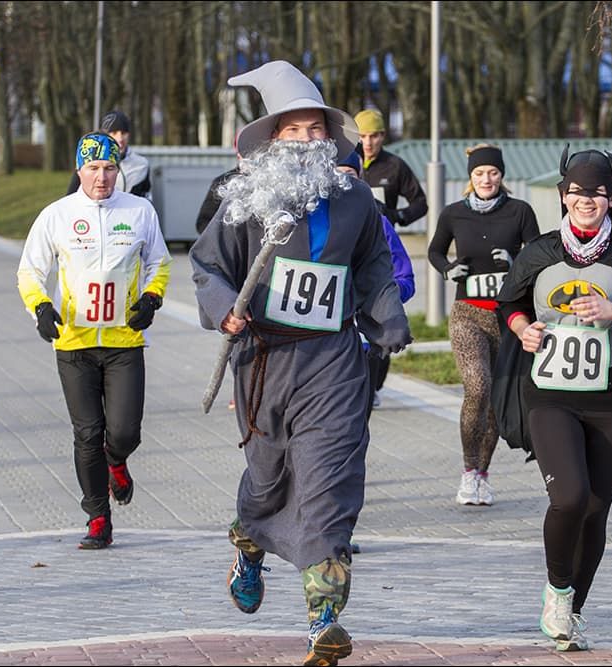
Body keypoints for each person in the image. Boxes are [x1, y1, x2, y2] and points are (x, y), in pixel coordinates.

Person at [189, 60, 410, 667]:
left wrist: (387, 320)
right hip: (264, 360)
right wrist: (222, 312)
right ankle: (250, 543)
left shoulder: (355, 201)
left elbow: (371, 267)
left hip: (334, 359)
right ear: (270, 140)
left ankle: (324, 618)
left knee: (329, 483)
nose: (308, 141)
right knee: (266, 479)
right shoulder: (245, 205)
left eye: (317, 130)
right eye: (294, 131)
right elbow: (207, 267)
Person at [495, 148, 612, 651]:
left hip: (611, 397)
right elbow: (509, 300)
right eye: (576, 191)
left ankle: (571, 613)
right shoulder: (542, 252)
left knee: (595, 509)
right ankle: (556, 590)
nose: (585, 200)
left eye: (595, 192)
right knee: (568, 496)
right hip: (549, 394)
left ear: (610, 197)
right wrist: (522, 327)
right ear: (563, 197)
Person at [17, 132, 172, 550]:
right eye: (93, 169)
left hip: (124, 340)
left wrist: (152, 297)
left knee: (124, 432)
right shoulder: (57, 215)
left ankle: (117, 460)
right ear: (78, 170)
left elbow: (158, 261)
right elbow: (30, 271)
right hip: (74, 344)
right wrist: (41, 307)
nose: (101, 178)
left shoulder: (140, 211)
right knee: (87, 433)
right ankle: (97, 517)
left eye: (109, 168)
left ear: (118, 169)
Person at [427, 144, 539, 506]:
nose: (486, 179)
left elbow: (539, 256)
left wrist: (515, 260)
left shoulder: (520, 211)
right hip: (467, 315)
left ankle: (482, 476)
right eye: (479, 173)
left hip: (508, 317)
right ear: (470, 178)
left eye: (492, 173)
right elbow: (434, 251)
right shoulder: (454, 213)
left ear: (501, 175)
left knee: (494, 399)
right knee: (477, 386)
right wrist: (447, 269)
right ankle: (466, 471)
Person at [354, 108, 427, 407]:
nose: (368, 142)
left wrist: (397, 216)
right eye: (362, 136)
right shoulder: (347, 162)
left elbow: (420, 202)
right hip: (356, 248)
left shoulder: (395, 166)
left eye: (374, 136)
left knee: (385, 319)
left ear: (383, 136)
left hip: (386, 245)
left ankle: (374, 383)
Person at [335, 147, 416, 418]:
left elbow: (405, 280)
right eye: (337, 175)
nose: (345, 182)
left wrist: (380, 296)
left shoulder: (379, 224)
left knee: (356, 424)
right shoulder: (310, 222)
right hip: (322, 344)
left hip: (365, 344)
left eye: (351, 174)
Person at [66, 111, 151, 199]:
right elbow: (72, 197)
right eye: (114, 133)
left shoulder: (142, 164)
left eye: (124, 133)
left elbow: (146, 196)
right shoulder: (90, 161)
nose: (120, 138)